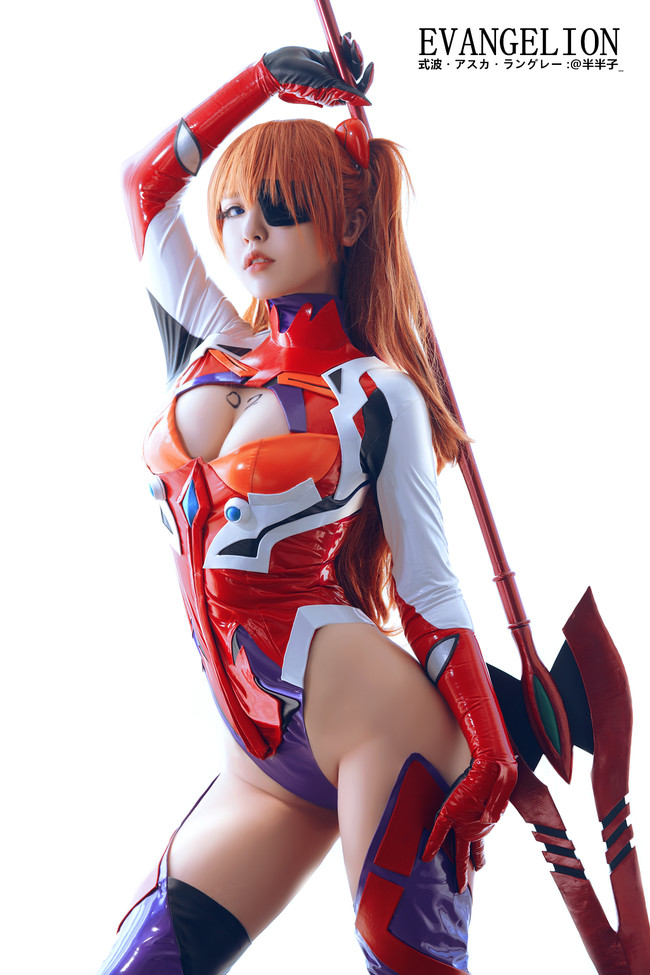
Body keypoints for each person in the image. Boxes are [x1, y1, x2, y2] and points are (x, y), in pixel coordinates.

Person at [98, 44, 517, 975]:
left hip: (382, 728)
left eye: (283, 204)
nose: (250, 231)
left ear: (350, 220)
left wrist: (489, 744)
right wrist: (262, 82)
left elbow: (429, 587)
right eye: (236, 208)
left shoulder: (376, 393)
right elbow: (144, 186)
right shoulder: (214, 342)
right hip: (258, 761)